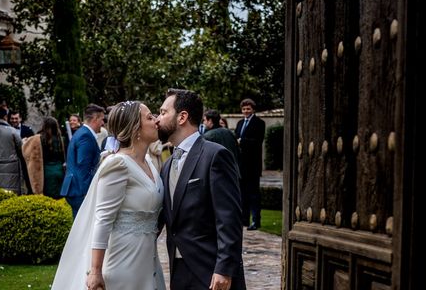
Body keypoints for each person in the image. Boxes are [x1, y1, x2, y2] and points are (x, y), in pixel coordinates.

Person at [52, 100, 165, 290]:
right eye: (149, 117)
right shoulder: (118, 164)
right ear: (135, 128)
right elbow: (102, 218)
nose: (156, 121)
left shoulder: (148, 163)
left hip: (148, 260)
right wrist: (95, 271)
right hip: (123, 260)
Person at [157, 88, 245, 290]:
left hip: (210, 270)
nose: (157, 119)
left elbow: (229, 217)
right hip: (178, 269)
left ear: (182, 117)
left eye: (163, 112)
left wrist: (224, 268)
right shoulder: (168, 164)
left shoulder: (215, 155)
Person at [60, 104, 104, 218]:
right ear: (95, 119)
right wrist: (87, 193)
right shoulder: (85, 135)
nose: (103, 123)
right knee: (82, 230)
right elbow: (82, 166)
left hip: (75, 188)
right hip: (79, 191)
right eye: (102, 119)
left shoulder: (82, 133)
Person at [234, 98, 266, 230]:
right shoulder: (240, 123)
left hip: (253, 164)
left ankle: (256, 221)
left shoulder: (259, 123)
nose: (246, 111)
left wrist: (242, 141)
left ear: (253, 109)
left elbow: (258, 142)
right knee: (242, 194)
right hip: (241, 165)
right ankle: (244, 220)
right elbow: (235, 138)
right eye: (244, 109)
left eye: (248, 109)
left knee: (254, 195)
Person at [22, 116, 66, 198]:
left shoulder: (39, 139)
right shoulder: (61, 139)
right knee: (58, 197)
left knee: (48, 198)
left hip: (46, 172)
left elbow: (26, 150)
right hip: (59, 171)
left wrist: (24, 141)